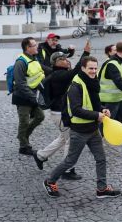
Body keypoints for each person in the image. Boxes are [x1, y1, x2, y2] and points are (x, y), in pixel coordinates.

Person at [42, 56, 122, 199]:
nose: (93, 71)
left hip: (93, 129)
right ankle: (50, 181)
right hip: (79, 131)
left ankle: (102, 189)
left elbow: (93, 104)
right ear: (83, 68)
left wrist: (102, 109)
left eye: (95, 68)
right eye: (90, 68)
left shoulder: (92, 82)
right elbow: (76, 110)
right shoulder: (75, 86)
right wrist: (97, 115)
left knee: (101, 158)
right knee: (70, 161)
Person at [32, 40, 91, 179]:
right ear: (55, 63)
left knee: (63, 138)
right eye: (62, 59)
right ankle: (67, 169)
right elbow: (77, 70)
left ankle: (40, 156)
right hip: (59, 113)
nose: (66, 60)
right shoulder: (58, 75)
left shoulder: (62, 73)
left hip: (61, 111)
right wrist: (86, 52)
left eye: (66, 58)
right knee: (71, 138)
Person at [12, 37, 45, 155]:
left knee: (40, 116)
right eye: (34, 45)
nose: (37, 47)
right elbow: (20, 83)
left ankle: (23, 136)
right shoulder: (21, 62)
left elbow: (40, 74)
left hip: (31, 95)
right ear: (27, 48)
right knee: (24, 121)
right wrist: (32, 97)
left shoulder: (34, 58)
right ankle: (23, 146)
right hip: (22, 97)